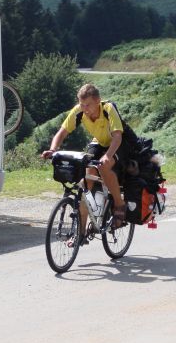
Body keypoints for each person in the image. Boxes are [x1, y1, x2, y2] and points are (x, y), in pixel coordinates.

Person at [41, 83, 127, 241]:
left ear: (98, 101)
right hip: (99, 142)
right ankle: (80, 234)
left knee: (105, 166)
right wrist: (53, 150)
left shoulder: (108, 109)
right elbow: (62, 132)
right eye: (81, 104)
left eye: (88, 105)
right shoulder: (79, 111)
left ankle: (119, 204)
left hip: (119, 144)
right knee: (86, 181)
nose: (84, 109)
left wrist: (108, 156)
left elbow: (117, 136)